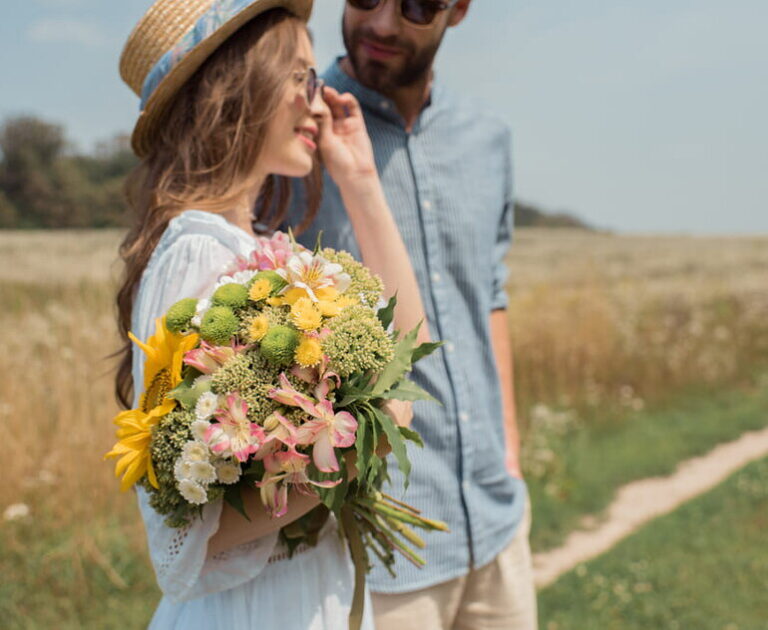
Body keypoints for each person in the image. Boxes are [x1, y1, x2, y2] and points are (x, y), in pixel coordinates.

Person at [113, 0, 428, 628]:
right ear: (234, 87)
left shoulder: (250, 246)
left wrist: (361, 179)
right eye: (302, 78)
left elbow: (408, 344)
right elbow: (182, 537)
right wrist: (352, 447)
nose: (319, 102)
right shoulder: (197, 250)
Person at [288, 1, 538, 628]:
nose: (382, 25)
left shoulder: (489, 138)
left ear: (458, 10)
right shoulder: (296, 133)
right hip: (374, 555)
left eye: (418, 5)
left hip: (496, 519)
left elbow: (489, 295)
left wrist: (508, 447)